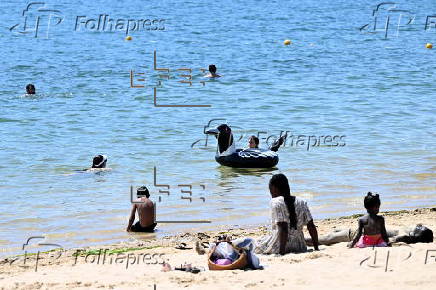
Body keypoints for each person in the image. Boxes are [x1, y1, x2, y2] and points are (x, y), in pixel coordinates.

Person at [255, 173, 319, 255]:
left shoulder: (276, 202)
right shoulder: (301, 201)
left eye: (270, 189)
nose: (270, 192)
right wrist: (316, 248)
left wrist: (281, 253)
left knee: (253, 245)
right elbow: (311, 226)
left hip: (279, 246)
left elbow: (283, 228)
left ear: (274, 188)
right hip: (299, 246)